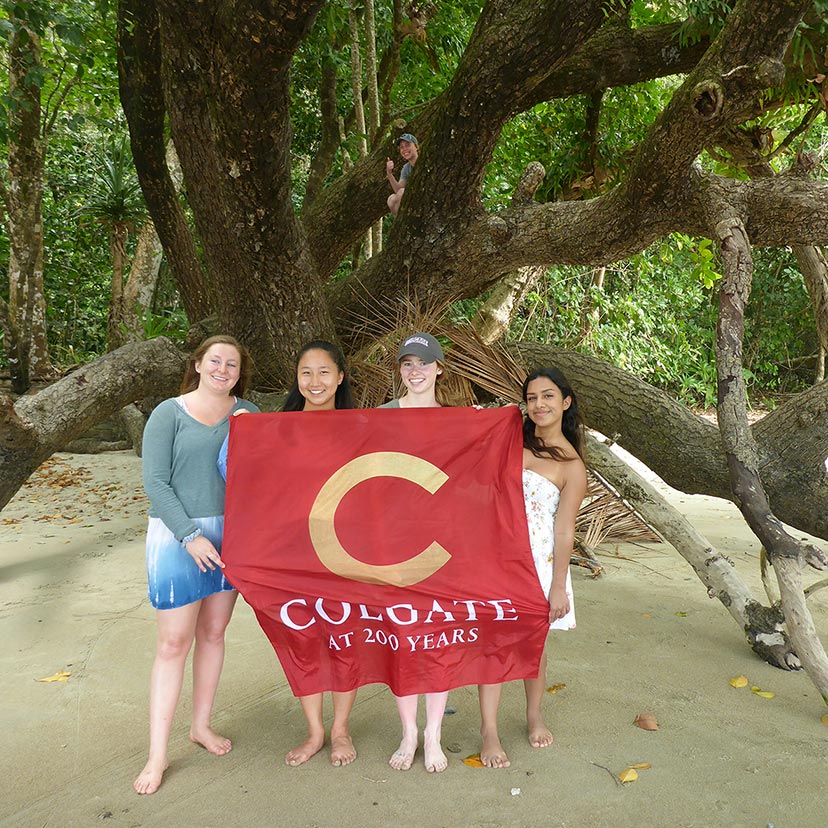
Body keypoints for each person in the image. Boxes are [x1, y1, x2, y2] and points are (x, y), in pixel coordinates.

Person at [133, 335, 259, 795]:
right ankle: (158, 753)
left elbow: (267, 474)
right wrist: (190, 536)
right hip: (176, 536)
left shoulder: (248, 414)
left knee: (212, 633)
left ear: (239, 372)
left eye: (232, 363)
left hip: (233, 534)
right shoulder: (169, 412)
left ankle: (201, 726)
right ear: (199, 364)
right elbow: (155, 483)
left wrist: (250, 432)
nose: (223, 369)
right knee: (173, 641)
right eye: (215, 361)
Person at [478, 366, 587, 769]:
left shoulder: (571, 466)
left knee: (534, 648)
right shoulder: (509, 441)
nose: (539, 405)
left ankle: (533, 715)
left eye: (548, 397)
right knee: (492, 644)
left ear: (565, 402)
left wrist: (558, 587)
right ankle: (489, 729)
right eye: (531, 398)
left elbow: (563, 532)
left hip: (538, 565)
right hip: (496, 558)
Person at [279, 340, 359, 767]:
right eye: (306, 372)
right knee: (302, 638)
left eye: (324, 372)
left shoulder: (362, 427)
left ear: (340, 377)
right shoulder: (276, 429)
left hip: (345, 551)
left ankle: (341, 729)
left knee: (344, 639)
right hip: (292, 551)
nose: (315, 381)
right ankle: (314, 731)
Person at [380, 331, 451, 772]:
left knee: (437, 637)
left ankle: (434, 734)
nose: (416, 371)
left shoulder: (459, 421)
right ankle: (408, 732)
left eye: (424, 363)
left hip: (442, 543)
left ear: (439, 368)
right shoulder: (381, 416)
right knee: (402, 638)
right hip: (390, 542)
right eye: (407, 364)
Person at [386, 132, 419, 216]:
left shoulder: (424, 162)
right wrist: (389, 174)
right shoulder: (406, 168)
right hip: (413, 200)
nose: (404, 149)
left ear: (416, 147)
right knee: (391, 199)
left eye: (408, 145)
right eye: (401, 147)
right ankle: (400, 221)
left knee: (401, 192)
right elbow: (399, 190)